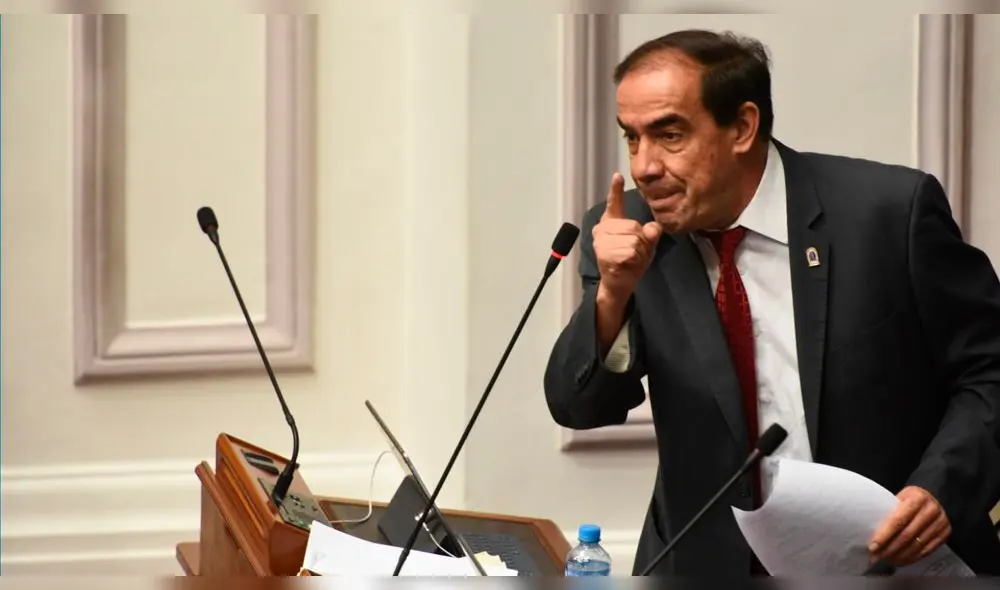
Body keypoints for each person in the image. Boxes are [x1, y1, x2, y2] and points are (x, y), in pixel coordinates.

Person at [543, 28, 1000, 577]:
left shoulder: (886, 214)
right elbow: (580, 407)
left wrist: (942, 488)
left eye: (669, 135)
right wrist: (614, 292)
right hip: (705, 567)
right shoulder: (627, 231)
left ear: (742, 126)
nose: (643, 165)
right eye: (632, 138)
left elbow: (989, 368)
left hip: (892, 562)